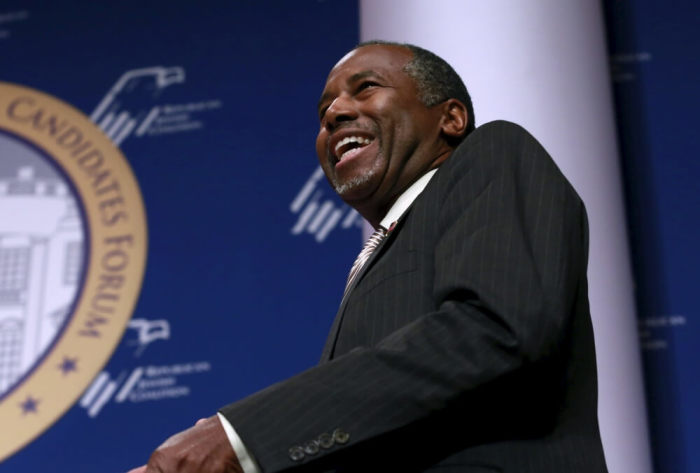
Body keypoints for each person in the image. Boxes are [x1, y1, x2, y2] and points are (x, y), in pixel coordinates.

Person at [130, 41, 608, 473]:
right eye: (324, 111)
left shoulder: (493, 153)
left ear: (451, 119)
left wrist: (240, 437)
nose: (335, 112)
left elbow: (494, 331)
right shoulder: (377, 257)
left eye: (365, 89)